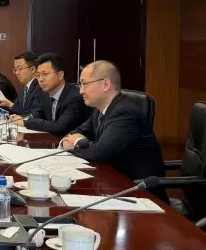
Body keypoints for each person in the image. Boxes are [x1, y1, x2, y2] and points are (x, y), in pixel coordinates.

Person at [60, 61, 167, 202]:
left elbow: (100, 153)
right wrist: (71, 140)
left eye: (84, 84)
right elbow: (77, 132)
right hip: (113, 185)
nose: (80, 91)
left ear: (106, 84)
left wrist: (77, 143)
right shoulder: (100, 110)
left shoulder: (124, 112)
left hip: (139, 193)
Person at [10, 53, 89, 137]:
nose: (40, 79)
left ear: (60, 75)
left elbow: (60, 127)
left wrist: (26, 122)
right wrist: (21, 118)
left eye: (45, 74)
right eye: (38, 75)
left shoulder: (74, 97)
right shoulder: (45, 94)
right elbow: (38, 113)